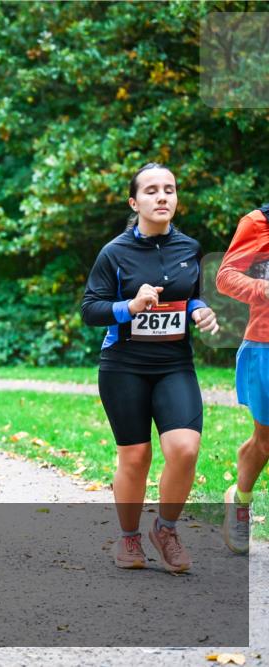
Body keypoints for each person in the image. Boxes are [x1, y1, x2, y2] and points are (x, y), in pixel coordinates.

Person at [81, 163, 219, 573]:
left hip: (175, 364)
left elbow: (190, 295)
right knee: (136, 456)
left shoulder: (189, 248)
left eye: (169, 190)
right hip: (123, 366)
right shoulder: (114, 252)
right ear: (134, 202)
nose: (162, 197)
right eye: (152, 191)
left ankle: (166, 529)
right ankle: (128, 539)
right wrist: (130, 306)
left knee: (185, 448)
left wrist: (200, 310)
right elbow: (91, 310)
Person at [216, 204, 269, 554]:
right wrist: (265, 289)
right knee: (265, 441)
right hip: (265, 342)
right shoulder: (259, 222)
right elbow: (225, 276)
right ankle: (240, 497)